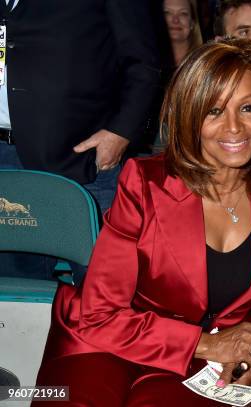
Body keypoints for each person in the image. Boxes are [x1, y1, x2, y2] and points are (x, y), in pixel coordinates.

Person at [34, 39, 251, 406]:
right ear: (190, 115)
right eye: (214, 111)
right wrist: (209, 343)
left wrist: (250, 352)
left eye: (248, 108)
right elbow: (100, 314)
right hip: (101, 343)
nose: (234, 128)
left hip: (203, 364)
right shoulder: (146, 181)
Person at [0, 0, 160, 280]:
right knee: (17, 296)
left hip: (83, 159)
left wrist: (120, 132)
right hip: (5, 160)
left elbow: (143, 62)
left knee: (104, 286)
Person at [163, 0, 203, 66]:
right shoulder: (147, 61)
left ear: (192, 23)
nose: (175, 20)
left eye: (183, 13)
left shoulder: (203, 62)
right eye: (167, 12)